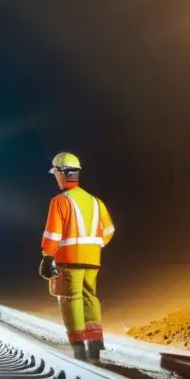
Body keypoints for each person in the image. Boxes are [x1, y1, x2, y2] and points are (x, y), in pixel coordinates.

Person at [39, 152, 115, 361]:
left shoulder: (60, 201)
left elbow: (53, 233)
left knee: (71, 298)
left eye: (55, 173)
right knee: (90, 296)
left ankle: (79, 346)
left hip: (69, 259)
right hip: (92, 258)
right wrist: (93, 245)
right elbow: (108, 230)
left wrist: (47, 256)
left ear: (61, 174)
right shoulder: (95, 202)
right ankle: (95, 343)